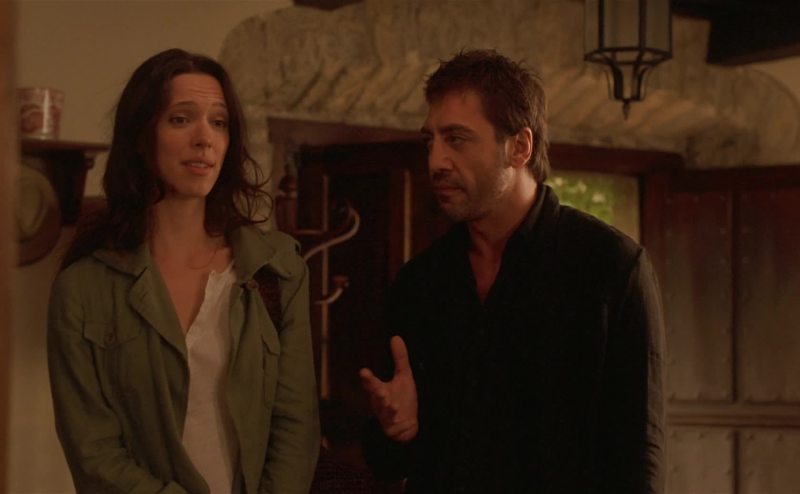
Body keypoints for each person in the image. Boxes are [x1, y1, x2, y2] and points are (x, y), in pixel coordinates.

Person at [359, 49, 665, 493]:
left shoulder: (610, 267)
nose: (435, 161)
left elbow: (639, 461)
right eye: (431, 141)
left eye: (456, 139)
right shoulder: (420, 283)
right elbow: (387, 463)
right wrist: (396, 431)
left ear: (520, 147)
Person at [47, 48, 320, 494]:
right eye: (181, 119)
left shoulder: (275, 268)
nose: (204, 138)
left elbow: (296, 426)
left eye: (219, 122)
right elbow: (93, 453)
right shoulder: (83, 289)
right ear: (142, 136)